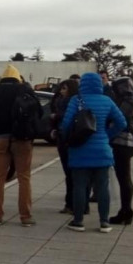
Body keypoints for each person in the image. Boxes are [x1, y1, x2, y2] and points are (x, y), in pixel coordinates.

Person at [61, 73, 126, 233]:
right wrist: (107, 135)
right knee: (103, 187)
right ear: (99, 84)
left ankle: (78, 221)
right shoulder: (107, 101)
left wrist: (70, 138)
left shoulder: (76, 100)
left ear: (83, 84)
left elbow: (66, 124)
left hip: (79, 150)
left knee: (80, 186)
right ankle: (104, 222)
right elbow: (122, 123)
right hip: (102, 150)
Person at [0, 64, 42, 226]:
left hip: (0, 138)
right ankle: (25, 216)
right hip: (22, 139)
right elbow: (38, 112)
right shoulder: (24, 90)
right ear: (17, 77)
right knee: (24, 177)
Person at [109, 77, 133, 225]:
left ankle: (126, 211)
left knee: (123, 178)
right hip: (130, 143)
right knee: (125, 178)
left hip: (122, 142)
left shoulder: (127, 102)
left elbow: (119, 120)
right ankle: (126, 210)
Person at [51, 79, 84, 215]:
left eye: (64, 88)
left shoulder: (68, 102)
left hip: (66, 139)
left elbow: (66, 120)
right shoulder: (81, 101)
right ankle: (79, 204)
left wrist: (56, 117)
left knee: (70, 174)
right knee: (78, 175)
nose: (61, 91)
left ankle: (71, 204)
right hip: (77, 139)